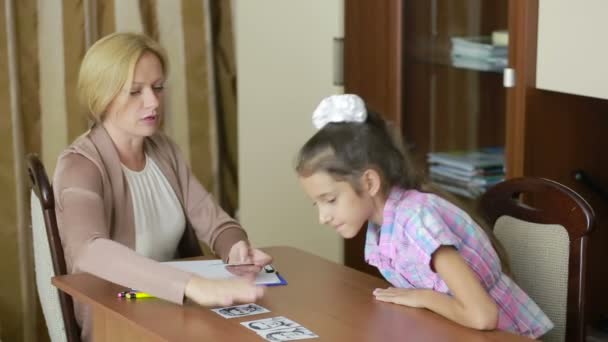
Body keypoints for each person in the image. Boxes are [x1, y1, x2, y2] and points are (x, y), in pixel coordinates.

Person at [53, 32, 271, 341]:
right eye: (135, 92)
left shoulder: (163, 149)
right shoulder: (79, 165)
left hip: (175, 309)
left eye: (157, 88)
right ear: (101, 96)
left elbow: (215, 221)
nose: (153, 102)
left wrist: (236, 249)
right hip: (116, 320)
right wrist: (192, 285)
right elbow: (88, 250)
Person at [295, 94, 554, 338]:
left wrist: (422, 297)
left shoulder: (416, 220)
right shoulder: (382, 225)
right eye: (316, 204)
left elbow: (482, 316)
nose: (323, 217)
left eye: (329, 200)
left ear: (369, 182)